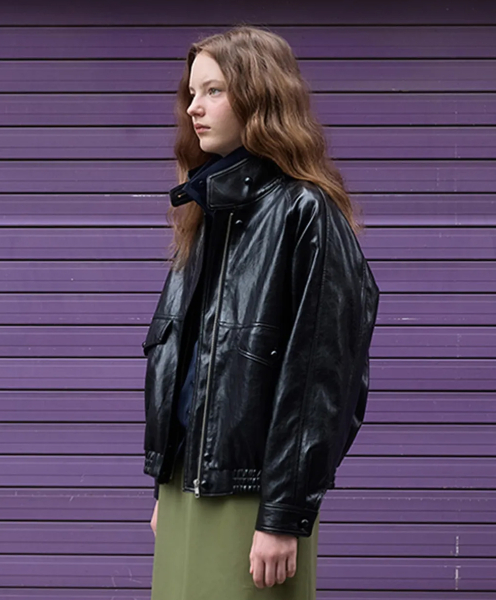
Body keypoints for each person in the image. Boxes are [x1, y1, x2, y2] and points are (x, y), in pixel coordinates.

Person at [142, 25, 380, 599]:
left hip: (252, 498)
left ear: (259, 96)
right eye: (192, 93)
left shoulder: (306, 211)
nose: (194, 108)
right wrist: (164, 483)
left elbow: (322, 379)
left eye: (214, 91)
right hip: (186, 485)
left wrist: (283, 514)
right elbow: (190, 366)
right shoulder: (208, 212)